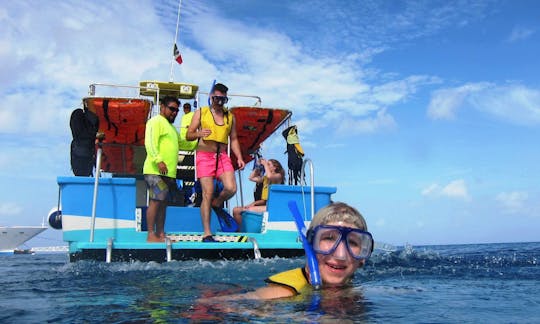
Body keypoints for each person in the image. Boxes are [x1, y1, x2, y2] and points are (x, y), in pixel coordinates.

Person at [201, 202, 373, 300]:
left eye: (353, 242)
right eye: (328, 238)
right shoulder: (283, 293)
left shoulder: (365, 290)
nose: (340, 254)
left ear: (363, 257)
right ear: (309, 244)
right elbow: (213, 304)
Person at [186, 83, 246, 242]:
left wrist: (239, 157)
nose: (219, 102)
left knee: (231, 188)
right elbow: (188, 134)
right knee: (208, 192)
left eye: (223, 99)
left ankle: (217, 203)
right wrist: (199, 133)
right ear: (212, 97)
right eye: (217, 98)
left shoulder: (230, 116)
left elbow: (233, 139)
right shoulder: (201, 112)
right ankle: (207, 233)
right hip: (204, 155)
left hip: (222, 156)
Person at [142, 96, 181, 242]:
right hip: (154, 170)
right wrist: (158, 160)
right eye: (172, 109)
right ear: (162, 107)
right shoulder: (155, 121)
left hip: (167, 173)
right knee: (156, 200)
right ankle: (151, 234)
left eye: (177, 110)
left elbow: (183, 144)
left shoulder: (171, 128)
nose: (175, 113)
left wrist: (198, 137)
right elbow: (150, 142)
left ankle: (161, 234)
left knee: (163, 202)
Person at [232, 158, 285, 229]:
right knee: (236, 210)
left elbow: (270, 176)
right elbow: (251, 178)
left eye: (269, 164)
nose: (267, 166)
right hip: (266, 205)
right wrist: (258, 168)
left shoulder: (278, 176)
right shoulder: (266, 178)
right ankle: (242, 230)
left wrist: (265, 164)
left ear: (275, 167)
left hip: (274, 207)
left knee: (250, 210)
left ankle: (245, 231)